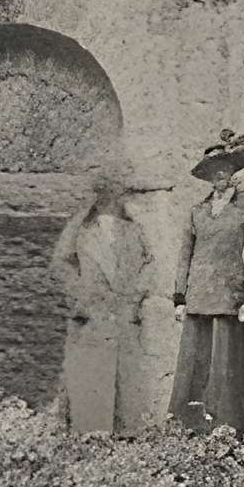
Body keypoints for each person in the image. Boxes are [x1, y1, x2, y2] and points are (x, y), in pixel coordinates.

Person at [168, 133, 244, 434]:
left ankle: (228, 430)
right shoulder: (197, 212)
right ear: (208, 177)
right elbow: (185, 256)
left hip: (231, 297)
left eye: (225, 169)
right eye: (214, 171)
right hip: (198, 296)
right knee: (195, 363)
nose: (220, 175)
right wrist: (180, 297)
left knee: (225, 365)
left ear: (233, 172)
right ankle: (189, 428)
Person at [50, 169, 153, 438]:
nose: (111, 199)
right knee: (90, 376)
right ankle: (88, 433)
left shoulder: (133, 230)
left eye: (117, 193)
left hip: (124, 314)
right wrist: (82, 298)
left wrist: (135, 297)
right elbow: (61, 264)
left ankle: (128, 435)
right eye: (105, 193)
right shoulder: (82, 229)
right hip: (92, 316)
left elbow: (149, 265)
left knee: (126, 379)